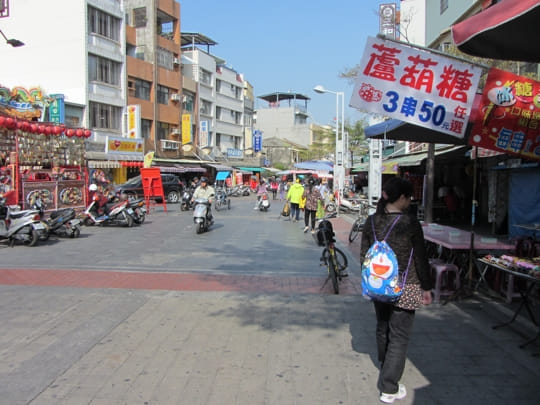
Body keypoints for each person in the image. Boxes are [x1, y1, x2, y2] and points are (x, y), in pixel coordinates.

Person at [359, 177, 432, 404]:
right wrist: (427, 287)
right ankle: (389, 387)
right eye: (408, 197)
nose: (410, 201)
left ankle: (386, 367)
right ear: (401, 198)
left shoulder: (372, 221)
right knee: (399, 335)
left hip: (378, 283)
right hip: (407, 285)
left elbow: (364, 255)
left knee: (383, 327)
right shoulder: (410, 223)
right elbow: (420, 258)